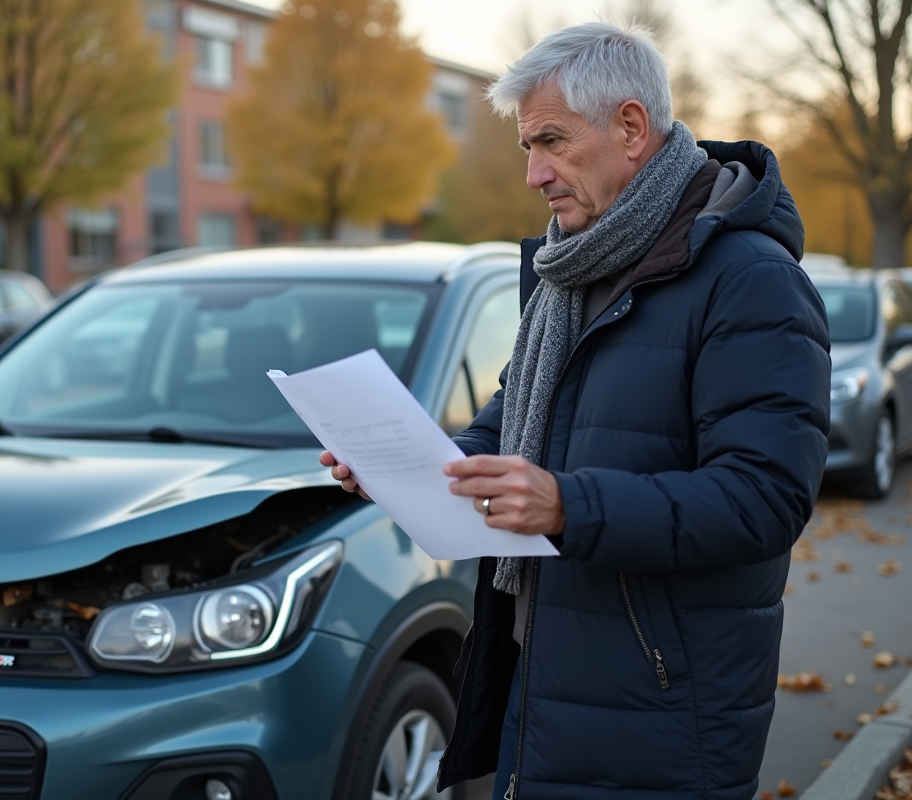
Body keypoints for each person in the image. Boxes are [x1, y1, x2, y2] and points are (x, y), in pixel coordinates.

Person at [322, 21, 830, 800]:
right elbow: (513, 420)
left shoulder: (750, 280)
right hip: (548, 674)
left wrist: (567, 505)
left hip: (662, 711)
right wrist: (402, 463)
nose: (534, 174)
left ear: (631, 127)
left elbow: (766, 499)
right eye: (528, 147)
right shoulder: (573, 269)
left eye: (551, 141)